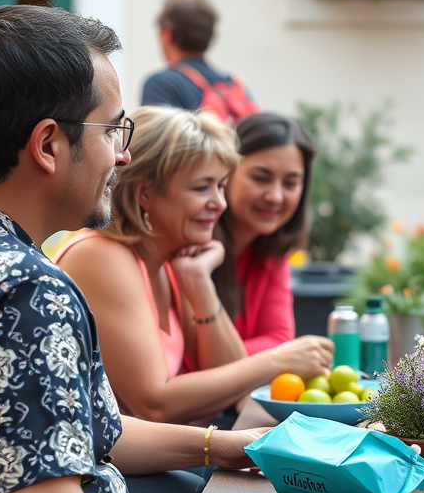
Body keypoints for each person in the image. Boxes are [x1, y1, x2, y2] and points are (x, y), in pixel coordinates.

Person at [0, 4, 366, 493]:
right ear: (47, 145)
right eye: (113, 131)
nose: (121, 155)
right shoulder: (26, 291)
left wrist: (219, 445)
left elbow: (87, 431)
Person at [55, 106, 333, 428]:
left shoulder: (170, 264)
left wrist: (200, 282)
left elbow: (227, 376)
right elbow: (154, 405)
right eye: (202, 187)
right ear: (146, 193)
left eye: (221, 186)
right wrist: (277, 360)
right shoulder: (103, 256)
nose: (220, 203)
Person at [211, 112, 322, 356]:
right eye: (261, 178)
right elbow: (197, 358)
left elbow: (280, 338)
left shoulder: (274, 254)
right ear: (226, 172)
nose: (276, 196)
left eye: (290, 184)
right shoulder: (191, 248)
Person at [141, 0, 258, 124]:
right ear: (212, 35)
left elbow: (155, 142)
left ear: (167, 33)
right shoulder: (234, 84)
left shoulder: (161, 85)